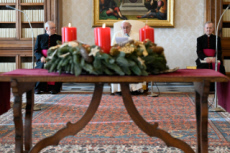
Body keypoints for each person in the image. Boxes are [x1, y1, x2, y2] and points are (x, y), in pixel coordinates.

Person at [111, 21, 146, 95]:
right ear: (121, 28)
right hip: (120, 56)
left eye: (127, 27)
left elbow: (140, 46)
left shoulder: (136, 35)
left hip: (133, 56)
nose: (125, 29)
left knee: (136, 62)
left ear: (130, 27)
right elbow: (113, 47)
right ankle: (120, 89)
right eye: (123, 28)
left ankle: (135, 89)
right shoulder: (117, 34)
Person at [196, 21, 226, 91]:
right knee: (201, 68)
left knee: (221, 68)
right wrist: (205, 58)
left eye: (210, 28)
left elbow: (219, 50)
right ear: (204, 29)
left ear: (213, 29)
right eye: (207, 28)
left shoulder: (217, 38)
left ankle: (218, 89)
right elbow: (199, 51)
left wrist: (215, 57)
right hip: (204, 58)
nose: (208, 29)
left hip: (215, 58)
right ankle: (202, 88)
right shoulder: (199, 39)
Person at [34, 21, 62, 94]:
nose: (54, 29)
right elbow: (36, 50)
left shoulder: (59, 38)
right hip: (43, 60)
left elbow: (61, 50)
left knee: (56, 68)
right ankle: (38, 88)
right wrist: (41, 57)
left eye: (55, 28)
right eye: (52, 28)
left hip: (54, 60)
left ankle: (54, 88)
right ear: (47, 28)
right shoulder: (40, 37)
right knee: (40, 68)